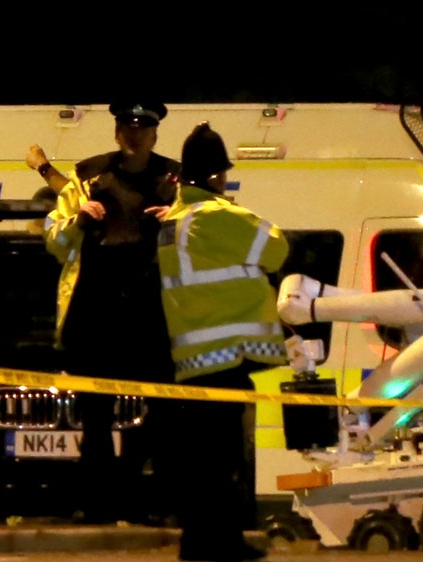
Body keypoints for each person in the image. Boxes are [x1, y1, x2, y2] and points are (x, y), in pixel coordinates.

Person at [42, 100, 179, 525]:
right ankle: (97, 504)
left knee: (160, 415)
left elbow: (206, 232)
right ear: (116, 132)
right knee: (95, 418)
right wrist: (78, 221)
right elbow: (53, 241)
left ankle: (148, 501)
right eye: (126, 125)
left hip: (152, 312)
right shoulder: (86, 176)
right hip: (96, 313)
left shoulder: (174, 179)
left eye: (143, 126)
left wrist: (176, 220)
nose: (134, 133)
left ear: (155, 133)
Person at [158, 122, 289, 562]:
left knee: (201, 463)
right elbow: (277, 250)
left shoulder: (173, 221)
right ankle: (223, 544)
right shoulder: (216, 216)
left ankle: (198, 542)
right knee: (223, 459)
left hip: (191, 358)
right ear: (216, 175)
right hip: (227, 355)